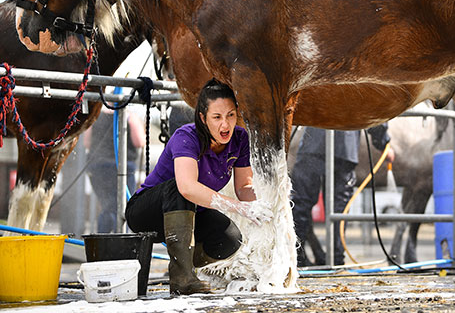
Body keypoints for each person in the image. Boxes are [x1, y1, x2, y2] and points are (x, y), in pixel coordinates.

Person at [125, 79, 272, 295]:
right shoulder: (186, 137)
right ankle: (183, 278)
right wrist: (240, 208)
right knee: (181, 188)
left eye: (231, 115)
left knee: (230, 238)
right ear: (203, 118)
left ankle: (188, 264)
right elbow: (187, 188)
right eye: (217, 117)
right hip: (147, 214)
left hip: (190, 214)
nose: (225, 125)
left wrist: (262, 206)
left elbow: (244, 187)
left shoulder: (240, 139)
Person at [290, 124, 393, 266]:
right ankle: (336, 261)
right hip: (345, 146)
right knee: (340, 208)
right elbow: (375, 110)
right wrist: (382, 143)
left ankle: (295, 259)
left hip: (313, 143)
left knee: (301, 202)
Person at [85, 106, 145, 233]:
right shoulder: (129, 117)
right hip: (122, 168)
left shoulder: (96, 117)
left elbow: (87, 142)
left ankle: (103, 240)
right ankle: (119, 241)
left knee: (107, 205)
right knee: (121, 207)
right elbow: (139, 141)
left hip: (98, 168)